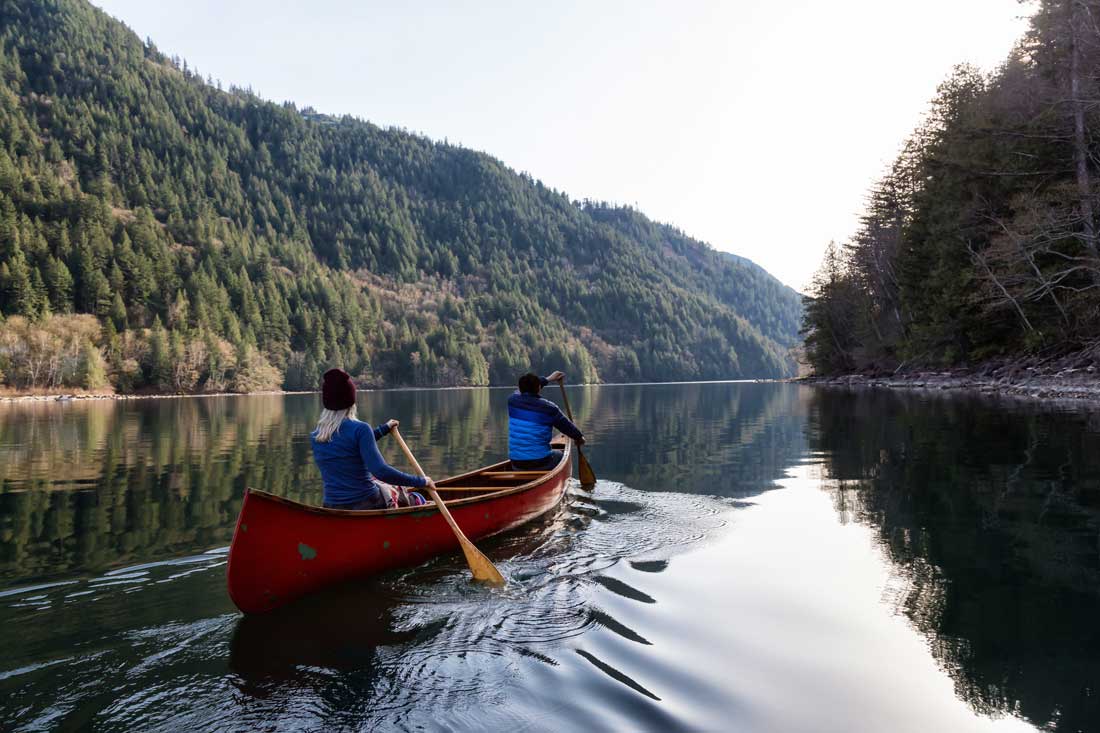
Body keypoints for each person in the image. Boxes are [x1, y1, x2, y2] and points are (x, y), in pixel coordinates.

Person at [310, 368, 435, 510]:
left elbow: (350, 447)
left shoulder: (316, 436)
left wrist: (383, 429)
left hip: (331, 505)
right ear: (351, 401)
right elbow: (381, 471)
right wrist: (421, 481)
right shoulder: (360, 429)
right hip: (366, 503)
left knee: (380, 483)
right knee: (413, 497)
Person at [508, 370, 585, 470]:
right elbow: (567, 427)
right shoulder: (549, 408)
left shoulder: (512, 401)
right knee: (560, 455)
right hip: (541, 461)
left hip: (516, 462)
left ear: (520, 388)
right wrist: (579, 438)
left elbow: (522, 390)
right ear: (539, 388)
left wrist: (548, 379)